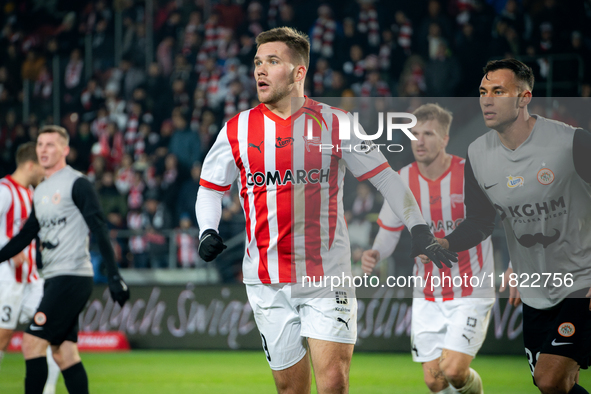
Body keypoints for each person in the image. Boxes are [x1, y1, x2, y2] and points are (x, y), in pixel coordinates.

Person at [195, 27, 456, 394]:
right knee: (290, 389)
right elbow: (209, 190)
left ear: (299, 72)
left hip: (326, 276)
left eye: (272, 61)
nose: (260, 71)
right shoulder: (237, 129)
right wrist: (208, 229)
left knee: (333, 384)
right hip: (266, 282)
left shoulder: (335, 123)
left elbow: (387, 179)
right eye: (257, 62)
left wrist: (418, 227)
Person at [438, 59, 591, 394]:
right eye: (482, 92)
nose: (487, 99)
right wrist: (447, 244)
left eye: (498, 91)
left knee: (550, 379)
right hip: (536, 289)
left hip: (583, 281)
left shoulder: (572, 142)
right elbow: (480, 222)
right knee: (553, 384)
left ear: (524, 98)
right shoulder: (477, 154)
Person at [361, 104, 496, 394]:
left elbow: (490, 223)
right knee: (435, 380)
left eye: (428, 134)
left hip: (470, 290)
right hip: (428, 295)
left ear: (445, 138)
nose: (419, 141)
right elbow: (389, 231)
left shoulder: (470, 173)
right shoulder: (402, 179)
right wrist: (375, 252)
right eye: (415, 134)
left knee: (454, 370)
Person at [0, 126, 130, 394]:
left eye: (50, 145)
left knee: (31, 343)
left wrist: (114, 276)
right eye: (40, 145)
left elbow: (99, 227)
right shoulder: (41, 190)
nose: (44, 150)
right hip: (54, 278)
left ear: (65, 150)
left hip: (72, 277)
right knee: (64, 353)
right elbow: (25, 236)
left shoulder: (77, 183)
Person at [0, 142, 59, 394]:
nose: (45, 169)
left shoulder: (33, 193)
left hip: (33, 278)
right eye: (42, 163)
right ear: (30, 164)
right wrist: (8, 249)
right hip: (6, 279)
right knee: (2, 338)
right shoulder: (4, 190)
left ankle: (47, 391)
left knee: (52, 332)